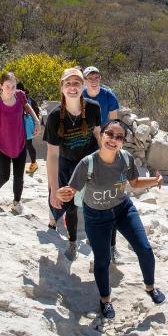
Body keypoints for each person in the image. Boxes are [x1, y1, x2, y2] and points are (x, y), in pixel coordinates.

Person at [56, 119, 166, 319]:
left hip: (123, 209)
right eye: (109, 134)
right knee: (102, 260)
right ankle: (105, 300)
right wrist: (60, 194)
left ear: (123, 142)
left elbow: (134, 181)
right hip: (96, 216)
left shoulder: (125, 158)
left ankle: (150, 287)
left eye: (119, 137)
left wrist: (154, 180)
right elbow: (71, 191)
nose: (113, 140)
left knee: (145, 249)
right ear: (101, 135)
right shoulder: (87, 163)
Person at [45, 67, 101, 260]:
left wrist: (107, 162)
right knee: (68, 205)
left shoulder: (93, 108)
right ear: (61, 87)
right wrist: (53, 189)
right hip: (67, 163)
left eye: (76, 83)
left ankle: (102, 245)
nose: (72, 87)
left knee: (96, 204)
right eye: (68, 83)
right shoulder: (54, 117)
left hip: (90, 162)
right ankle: (71, 241)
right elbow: (52, 155)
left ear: (83, 85)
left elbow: (97, 135)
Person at [0, 72, 41, 214]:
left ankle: (16, 202)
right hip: (1, 144)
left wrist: (37, 121)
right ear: (1, 86)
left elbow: (27, 106)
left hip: (19, 142)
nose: (10, 89)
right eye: (7, 86)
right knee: (4, 175)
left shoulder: (20, 95)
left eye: (13, 86)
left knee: (19, 176)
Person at [82, 66, 123, 262]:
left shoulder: (108, 96)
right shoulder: (79, 94)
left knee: (111, 193)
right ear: (84, 80)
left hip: (106, 144)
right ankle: (93, 236)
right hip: (86, 143)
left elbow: (114, 122)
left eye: (97, 77)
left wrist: (111, 144)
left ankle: (112, 245)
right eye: (90, 77)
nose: (94, 80)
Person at [17, 81, 42, 175]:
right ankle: (33, 163)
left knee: (26, 145)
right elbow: (38, 111)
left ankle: (33, 163)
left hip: (23, 125)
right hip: (26, 126)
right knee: (28, 145)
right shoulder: (30, 99)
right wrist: (37, 123)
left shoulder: (21, 99)